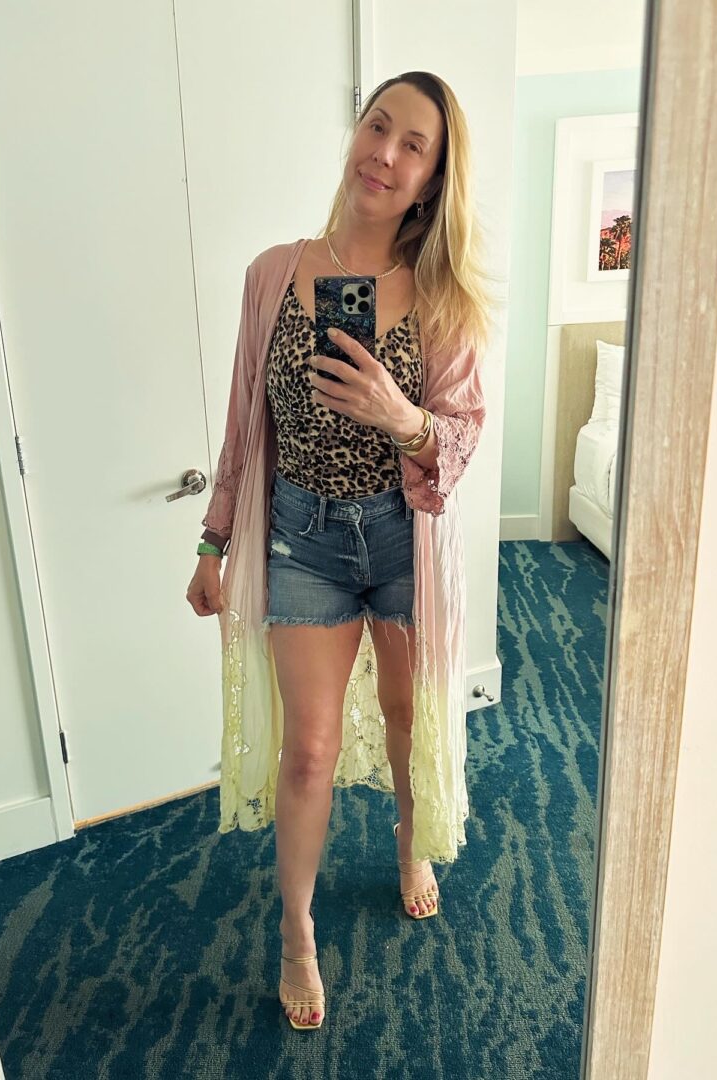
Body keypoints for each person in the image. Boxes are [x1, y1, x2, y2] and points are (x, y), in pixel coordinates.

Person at [186, 71, 492, 1031]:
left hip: (402, 539)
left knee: (405, 716)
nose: (385, 154)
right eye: (378, 125)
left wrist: (402, 417)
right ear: (356, 131)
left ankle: (408, 845)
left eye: (413, 146)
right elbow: (245, 423)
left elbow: (460, 440)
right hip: (304, 539)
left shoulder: (442, 298)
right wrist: (212, 539)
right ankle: (296, 933)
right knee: (309, 749)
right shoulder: (272, 274)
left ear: (432, 181)